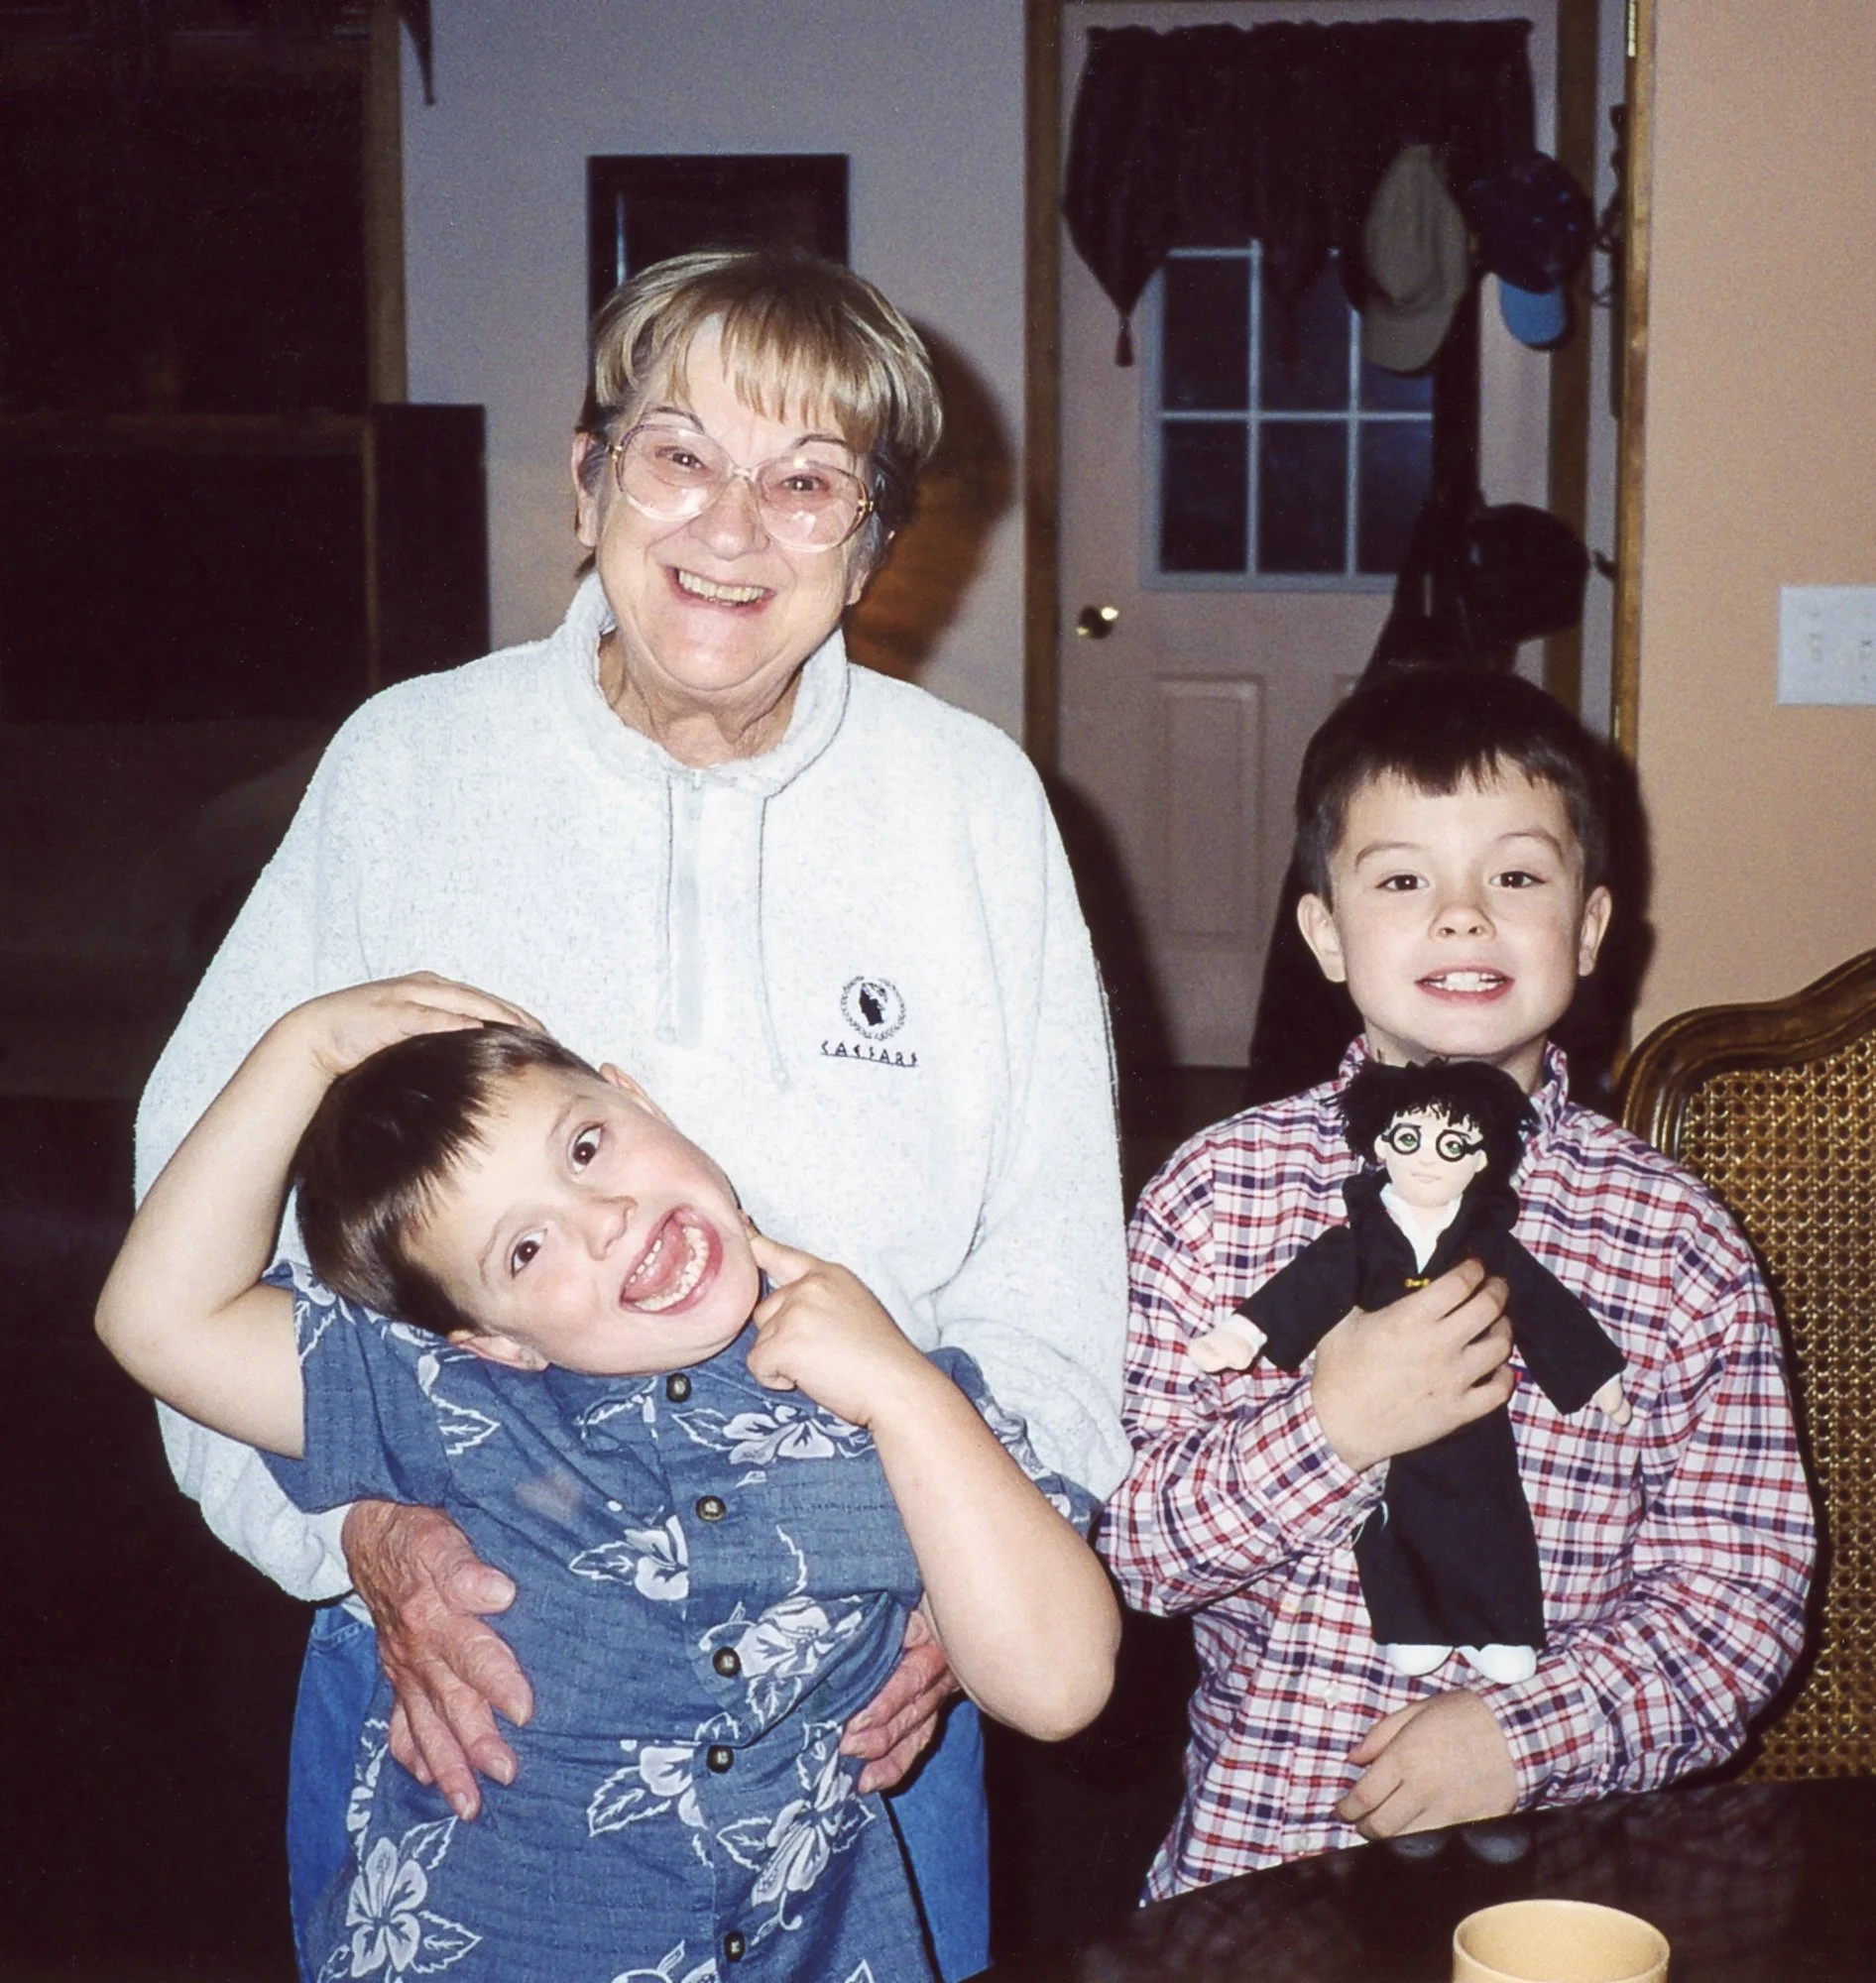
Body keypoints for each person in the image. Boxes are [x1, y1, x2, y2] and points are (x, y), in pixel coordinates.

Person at [134, 248, 1131, 1982]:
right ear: (591, 480)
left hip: (864, 1715)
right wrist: (352, 1530)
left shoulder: (972, 810)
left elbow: (1054, 1279)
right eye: (680, 455)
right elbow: (195, 1218)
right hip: (482, 1716)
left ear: (873, 542)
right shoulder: (410, 764)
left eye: (807, 479)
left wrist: (976, 1591)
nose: (733, 528)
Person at [102, 977, 1119, 1982]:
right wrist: (306, 1045)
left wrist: (904, 1393)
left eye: (585, 1146)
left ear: (642, 1097)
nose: (602, 1216)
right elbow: (157, 1321)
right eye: (527, 1246)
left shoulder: (898, 1397)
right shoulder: (450, 1397)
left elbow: (1058, 1684)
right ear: (491, 1336)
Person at [1101, 666, 1817, 1893]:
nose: (1461, 916)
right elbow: (1130, 1547)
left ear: (1589, 926)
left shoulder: (1679, 1242)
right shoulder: (1214, 1198)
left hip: (1575, 1856)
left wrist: (1527, 1735)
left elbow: (1737, 1591)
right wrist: (1329, 1427)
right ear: (1322, 930)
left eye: (1516, 876)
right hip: (1268, 1848)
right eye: (1399, 879)